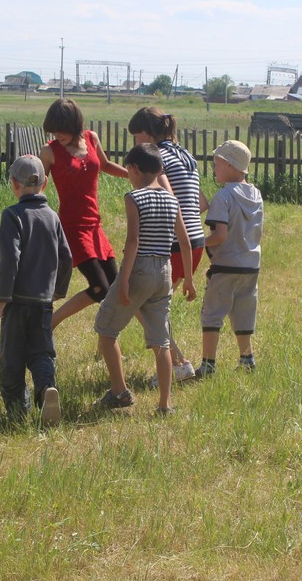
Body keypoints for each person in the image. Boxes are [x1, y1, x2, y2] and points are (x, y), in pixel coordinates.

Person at [93, 143, 196, 415]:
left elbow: (133, 241)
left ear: (135, 169)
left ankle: (119, 391)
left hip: (140, 269)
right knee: (161, 342)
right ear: (159, 169)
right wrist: (188, 279)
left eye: (128, 171)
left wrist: (124, 280)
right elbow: (184, 242)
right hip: (165, 271)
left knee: (106, 330)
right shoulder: (172, 200)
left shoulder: (134, 198)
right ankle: (165, 404)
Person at [0, 155, 73, 426]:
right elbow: (66, 257)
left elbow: (10, 259)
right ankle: (46, 388)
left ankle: (17, 413)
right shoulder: (52, 217)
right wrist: (58, 290)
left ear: (14, 184)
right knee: (41, 352)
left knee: (12, 358)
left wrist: (1, 299)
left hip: (17, 302)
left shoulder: (12, 215)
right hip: (43, 301)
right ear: (45, 183)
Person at [127, 107, 206, 384]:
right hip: (195, 243)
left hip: (173, 245)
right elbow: (201, 202)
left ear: (148, 134)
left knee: (139, 302)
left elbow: (171, 202)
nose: (135, 143)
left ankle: (178, 364)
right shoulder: (185, 155)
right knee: (152, 304)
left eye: (137, 136)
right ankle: (176, 362)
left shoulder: (157, 158)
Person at [38, 98, 127, 330]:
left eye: (61, 129)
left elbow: (106, 166)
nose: (57, 135)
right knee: (100, 288)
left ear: (74, 124)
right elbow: (37, 185)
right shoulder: (49, 151)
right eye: (53, 130)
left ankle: (107, 338)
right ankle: (50, 322)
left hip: (95, 225)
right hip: (72, 227)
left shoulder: (92, 138)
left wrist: (135, 177)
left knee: (114, 286)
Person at [196, 140, 263, 378]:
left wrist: (198, 242)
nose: (214, 168)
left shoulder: (223, 197)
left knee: (212, 314)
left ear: (229, 165)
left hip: (225, 265)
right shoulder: (256, 194)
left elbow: (220, 236)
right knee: (243, 313)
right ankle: (247, 359)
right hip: (251, 265)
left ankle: (208, 365)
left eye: (216, 163)